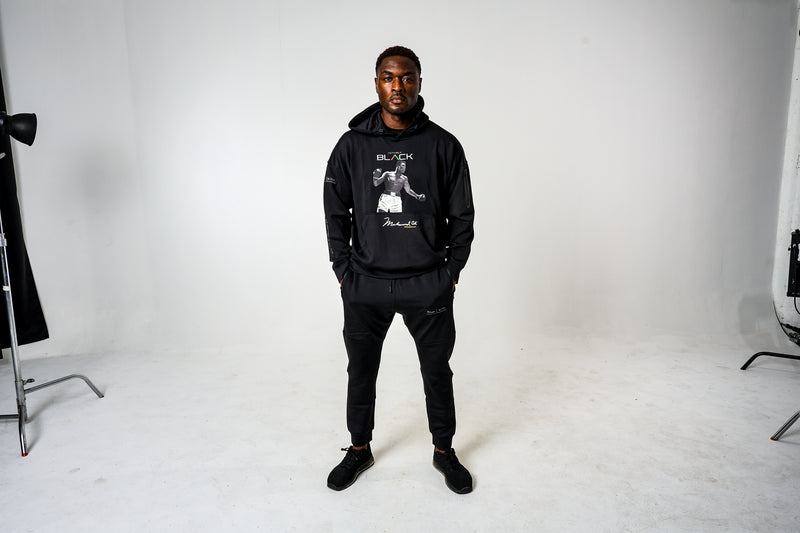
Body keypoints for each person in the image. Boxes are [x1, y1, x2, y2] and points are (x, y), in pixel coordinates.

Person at [323, 45, 475, 494]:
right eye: (388, 77)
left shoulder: (443, 145)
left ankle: (444, 451)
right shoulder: (351, 145)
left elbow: (462, 215)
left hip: (427, 283)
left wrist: (450, 272)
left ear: (419, 83)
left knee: (437, 371)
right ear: (376, 83)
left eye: (407, 77)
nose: (398, 86)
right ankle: (359, 449)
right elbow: (335, 211)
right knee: (360, 371)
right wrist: (343, 270)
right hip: (365, 283)